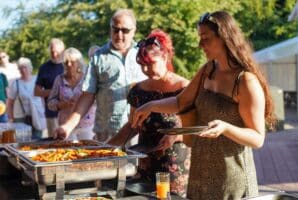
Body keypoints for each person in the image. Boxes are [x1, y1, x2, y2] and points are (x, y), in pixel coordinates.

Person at [132, 11, 275, 200]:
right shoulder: (208, 69)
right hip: (200, 174)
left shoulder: (245, 81)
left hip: (232, 179)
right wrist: (149, 106)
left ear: (224, 37)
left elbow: (257, 138)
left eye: (205, 38)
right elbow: (180, 102)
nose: (200, 44)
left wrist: (225, 127)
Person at [109, 29, 191, 197]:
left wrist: (176, 135)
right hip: (145, 161)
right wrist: (106, 147)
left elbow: (198, 125)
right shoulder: (138, 90)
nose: (145, 69)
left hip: (175, 165)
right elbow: (132, 126)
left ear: (165, 57)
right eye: (142, 65)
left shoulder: (185, 88)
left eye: (150, 63)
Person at [54, 9, 146, 142]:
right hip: (108, 134)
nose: (119, 35)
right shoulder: (98, 57)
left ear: (134, 30)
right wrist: (68, 126)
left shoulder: (144, 54)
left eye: (125, 30)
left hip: (140, 131)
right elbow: (87, 95)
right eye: (115, 29)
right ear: (110, 29)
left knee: (138, 163)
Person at [48, 48, 96, 140]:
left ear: (79, 63)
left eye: (72, 62)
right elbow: (50, 103)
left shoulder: (87, 78)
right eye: (66, 62)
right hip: (65, 126)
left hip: (87, 126)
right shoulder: (59, 80)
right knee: (68, 152)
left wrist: (82, 101)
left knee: (88, 152)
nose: (68, 65)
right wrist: (61, 104)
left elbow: (95, 99)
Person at [7, 57, 46, 139]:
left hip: (37, 115)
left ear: (30, 68)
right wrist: (11, 118)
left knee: (37, 140)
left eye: (25, 67)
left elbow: (43, 98)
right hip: (21, 118)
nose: (23, 70)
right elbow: (10, 102)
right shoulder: (15, 83)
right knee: (22, 141)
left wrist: (45, 112)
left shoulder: (38, 80)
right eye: (21, 68)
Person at [34, 38, 65, 137]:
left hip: (68, 112)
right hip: (52, 113)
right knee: (54, 143)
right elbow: (37, 92)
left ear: (63, 51)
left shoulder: (69, 64)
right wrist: (56, 91)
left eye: (57, 52)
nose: (54, 54)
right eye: (52, 52)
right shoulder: (44, 68)